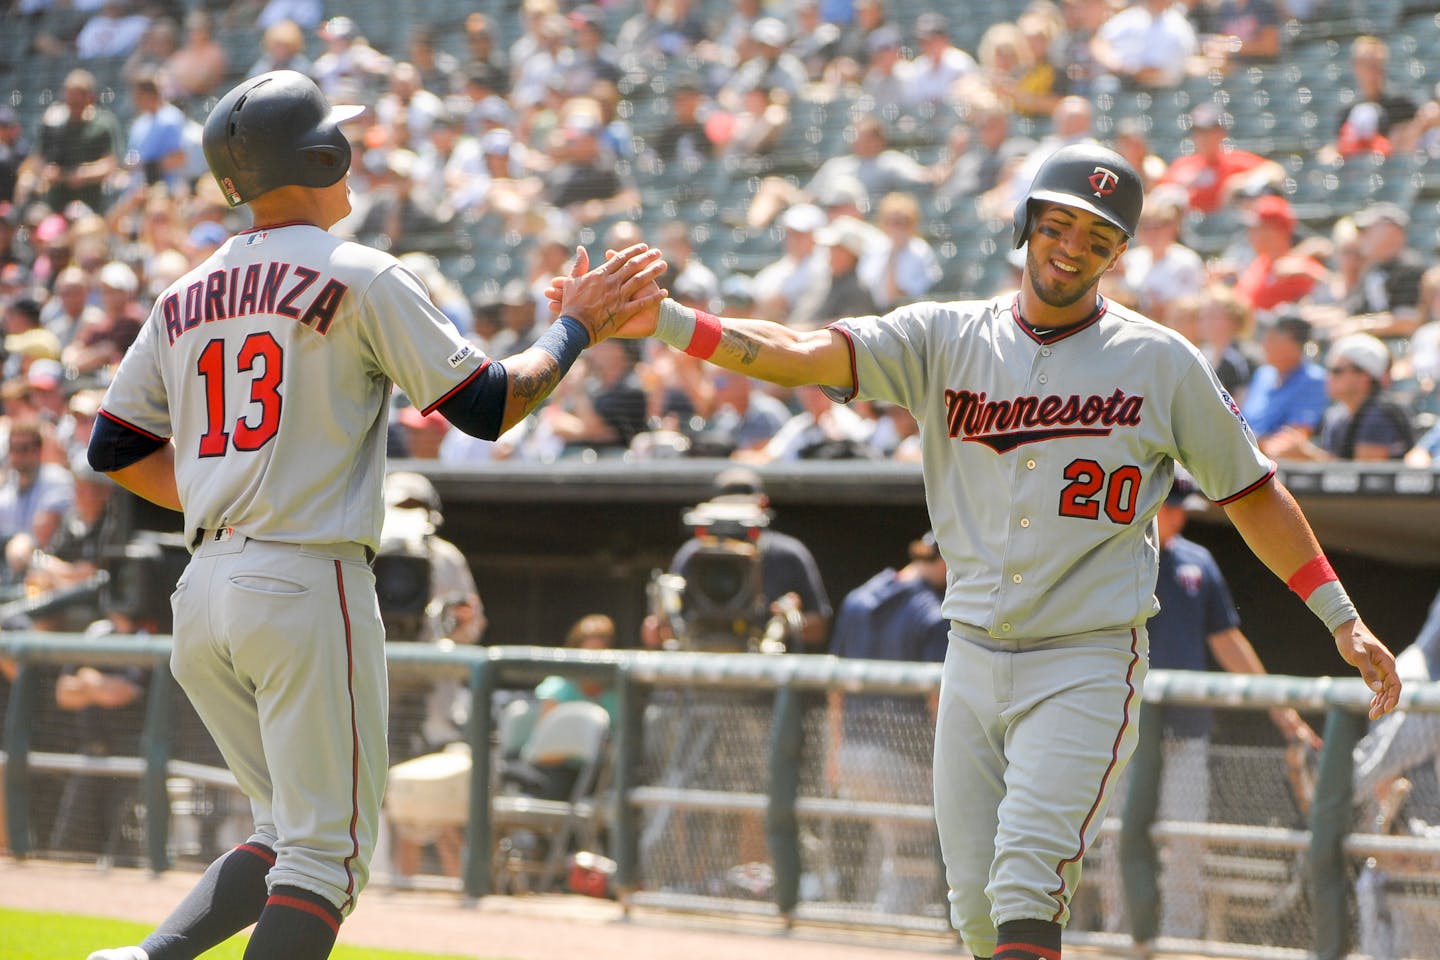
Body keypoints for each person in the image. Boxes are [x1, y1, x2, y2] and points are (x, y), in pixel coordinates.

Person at [560, 142, 1402, 960]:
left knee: (1028, 882)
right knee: (973, 909)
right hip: (972, 653)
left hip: (1087, 656)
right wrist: (668, 321)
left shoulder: (1159, 360)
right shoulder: (944, 336)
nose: (1073, 248)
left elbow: (1252, 491)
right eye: (1060, 225)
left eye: (1098, 237)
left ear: (1116, 255)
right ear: (1028, 224)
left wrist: (1340, 616)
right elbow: (799, 351)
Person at [83, 70, 664, 960]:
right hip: (304, 579)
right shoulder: (359, 271)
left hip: (203, 593)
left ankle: (143, 959)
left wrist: (216, 492)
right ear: (321, 155)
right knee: (325, 861)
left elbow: (114, 450)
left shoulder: (183, 292)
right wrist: (576, 328)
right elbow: (487, 406)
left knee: (285, 832)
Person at [1118, 472, 1321, 945]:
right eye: (1173, 508)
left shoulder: (1196, 562)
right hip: (1123, 730)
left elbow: (1227, 640)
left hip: (1187, 729)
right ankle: (1121, 937)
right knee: (1120, 839)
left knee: (1188, 839)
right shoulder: (1118, 553)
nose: (1179, 519)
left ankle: (1178, 942)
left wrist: (1282, 711)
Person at [826, 531, 949, 913]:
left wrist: (834, 752)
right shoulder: (933, 612)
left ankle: (868, 917)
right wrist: (943, 768)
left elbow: (835, 687)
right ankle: (888, 934)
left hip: (852, 754)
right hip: (901, 761)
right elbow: (937, 701)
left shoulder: (857, 599)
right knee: (916, 855)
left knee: (892, 841)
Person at [642, 467, 832, 653]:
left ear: (763, 505)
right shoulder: (693, 554)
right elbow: (659, 632)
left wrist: (789, 620)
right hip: (703, 665)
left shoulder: (788, 555)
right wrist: (659, 627)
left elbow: (819, 628)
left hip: (766, 672)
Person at [1264, 333, 1415, 462]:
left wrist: (1308, 455)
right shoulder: (1337, 416)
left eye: (1337, 371)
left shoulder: (1379, 415)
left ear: (1364, 377)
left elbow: (1367, 479)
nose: (1328, 377)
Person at [1239, 312, 1329, 458]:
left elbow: (1293, 441)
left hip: (1276, 470)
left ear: (1292, 343)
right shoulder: (1262, 374)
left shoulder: (1314, 380)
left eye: (1272, 338)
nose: (1264, 344)